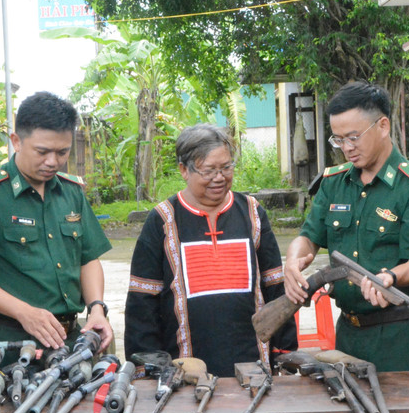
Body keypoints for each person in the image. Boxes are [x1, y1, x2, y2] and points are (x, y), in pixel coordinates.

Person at [283, 82, 409, 372]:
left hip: (400, 338)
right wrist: (293, 261)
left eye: (354, 137)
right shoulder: (334, 183)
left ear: (383, 126)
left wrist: (390, 277)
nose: (347, 148)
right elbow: (308, 237)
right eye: (338, 140)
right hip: (348, 335)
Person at [0, 92, 113, 359]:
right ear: (16, 141)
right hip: (10, 342)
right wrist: (23, 312)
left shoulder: (71, 192)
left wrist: (96, 308)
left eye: (62, 152)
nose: (53, 161)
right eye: (42, 151)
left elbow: (88, 258)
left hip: (71, 340)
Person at [124, 124, 297, 377]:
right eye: (208, 171)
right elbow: (142, 303)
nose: (219, 177)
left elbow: (276, 288)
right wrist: (146, 370)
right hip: (184, 373)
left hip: (254, 368)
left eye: (226, 167)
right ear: (184, 170)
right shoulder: (163, 220)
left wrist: (285, 355)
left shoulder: (252, 213)